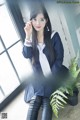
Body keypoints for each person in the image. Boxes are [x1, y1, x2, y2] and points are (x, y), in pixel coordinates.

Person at [22, 4, 65, 120]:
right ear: (31, 21)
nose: (38, 23)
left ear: (46, 20)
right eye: (34, 19)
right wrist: (27, 36)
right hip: (38, 76)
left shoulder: (54, 36)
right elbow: (26, 54)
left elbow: (59, 59)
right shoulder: (31, 39)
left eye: (41, 19)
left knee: (47, 100)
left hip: (53, 74)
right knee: (35, 100)